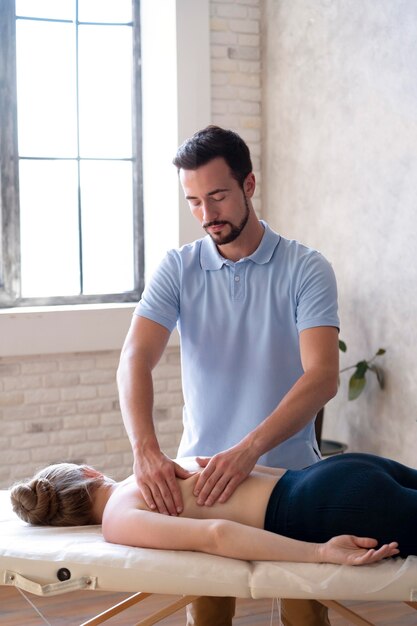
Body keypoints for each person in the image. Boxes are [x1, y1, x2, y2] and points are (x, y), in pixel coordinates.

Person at [117, 125, 340, 626]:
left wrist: (248, 449)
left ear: (249, 186)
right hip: (201, 482)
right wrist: (145, 450)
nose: (206, 214)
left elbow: (323, 375)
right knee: (209, 619)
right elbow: (135, 357)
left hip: (290, 478)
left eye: (217, 196)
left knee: (306, 619)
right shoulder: (178, 268)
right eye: (193, 201)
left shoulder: (306, 268)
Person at [13, 452, 415, 567]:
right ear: (89, 472)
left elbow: (215, 534)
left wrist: (319, 552)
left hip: (322, 507)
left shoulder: (119, 520)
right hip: (329, 472)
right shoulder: (155, 468)